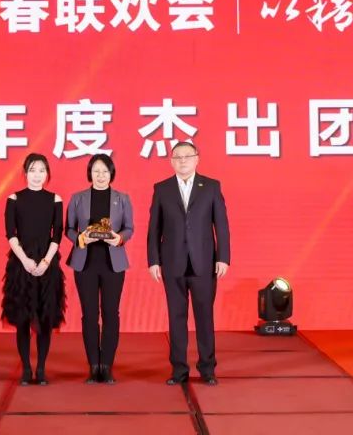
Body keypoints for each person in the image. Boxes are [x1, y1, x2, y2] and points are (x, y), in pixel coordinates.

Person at [147, 141, 230, 386]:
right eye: (177, 157)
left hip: (204, 262)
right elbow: (154, 229)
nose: (182, 161)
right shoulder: (162, 188)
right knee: (176, 317)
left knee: (204, 316)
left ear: (197, 159)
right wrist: (154, 260)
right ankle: (179, 370)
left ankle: (207, 369)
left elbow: (221, 225)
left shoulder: (211, 186)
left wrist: (223, 257)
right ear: (171, 161)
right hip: (172, 262)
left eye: (187, 156)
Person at [66, 153, 135, 385]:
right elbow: (68, 229)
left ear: (111, 173)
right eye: (96, 171)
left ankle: (106, 366)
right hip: (85, 263)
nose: (101, 175)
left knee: (111, 313)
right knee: (89, 314)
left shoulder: (122, 198)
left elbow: (129, 228)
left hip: (113, 263)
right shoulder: (77, 198)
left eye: (105, 171)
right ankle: (93, 365)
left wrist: (119, 238)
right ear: (90, 173)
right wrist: (80, 238)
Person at [2, 153, 65, 385]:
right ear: (25, 173)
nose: (37, 175)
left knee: (45, 318)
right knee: (23, 318)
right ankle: (26, 370)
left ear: (47, 174)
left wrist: (46, 262)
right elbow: (11, 234)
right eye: (32, 170)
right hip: (21, 264)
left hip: (48, 264)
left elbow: (57, 235)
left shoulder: (55, 199)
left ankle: (41, 369)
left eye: (41, 170)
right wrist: (25, 261)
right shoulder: (14, 199)